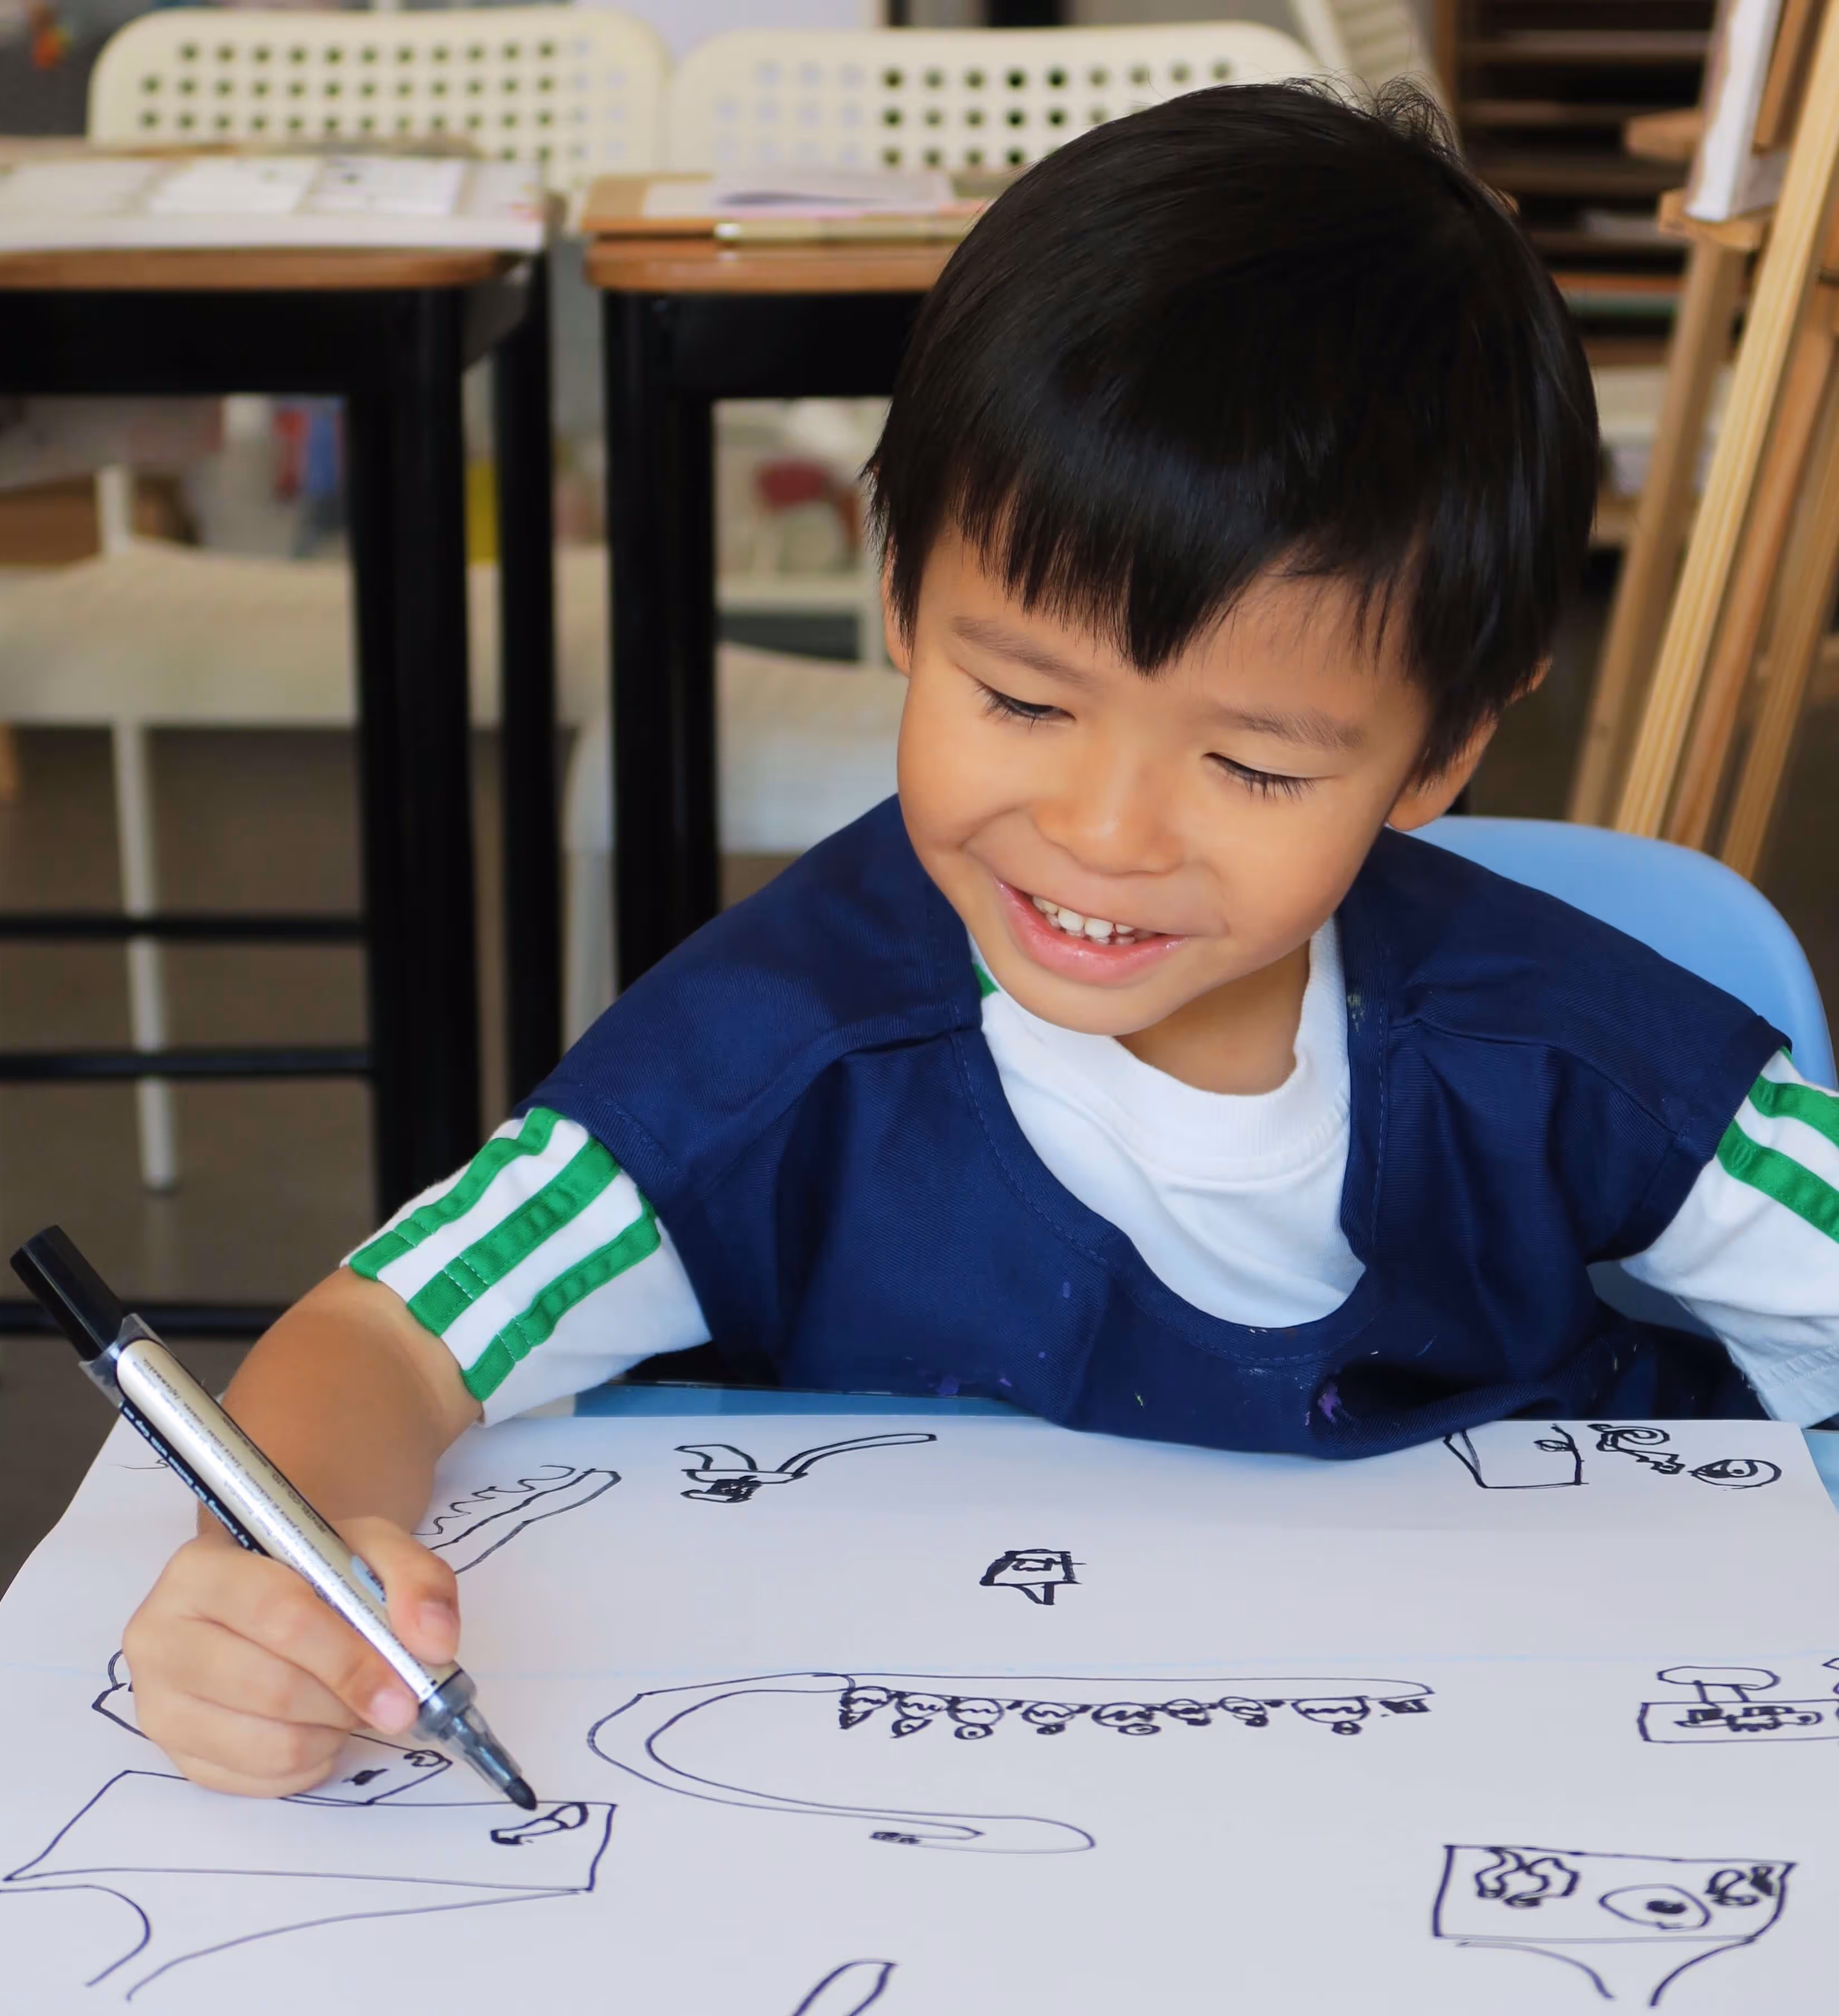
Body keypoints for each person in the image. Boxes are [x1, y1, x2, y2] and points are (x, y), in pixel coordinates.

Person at [123, 82, 1839, 1798]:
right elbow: (387, 1340)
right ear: (900, 593)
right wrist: (282, 1586)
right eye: (1020, 695)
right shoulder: (776, 1057)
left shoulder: (1564, 1050)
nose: (1102, 831)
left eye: (1249, 762)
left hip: (1507, 1802)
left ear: (1441, 751)